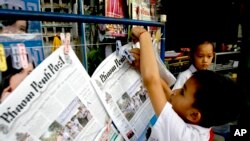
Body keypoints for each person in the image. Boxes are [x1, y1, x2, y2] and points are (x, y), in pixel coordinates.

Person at [129, 27, 243, 141]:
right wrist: (143, 65)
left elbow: (151, 81)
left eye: (182, 92)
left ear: (194, 115)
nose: (175, 91)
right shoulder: (199, 125)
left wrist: (144, 36)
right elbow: (171, 96)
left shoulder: (183, 136)